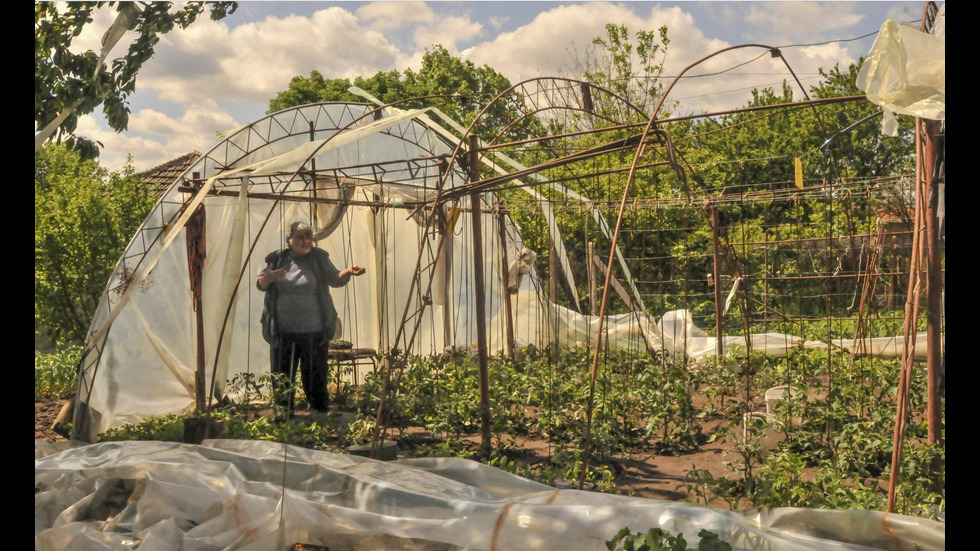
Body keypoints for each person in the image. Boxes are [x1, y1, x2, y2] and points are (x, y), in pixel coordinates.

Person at [257, 221, 366, 415]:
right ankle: (283, 412)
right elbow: (261, 283)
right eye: (300, 237)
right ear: (290, 241)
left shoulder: (319, 258)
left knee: (315, 372)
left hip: (314, 330)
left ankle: (319, 410)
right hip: (282, 330)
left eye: (308, 237)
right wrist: (269, 278)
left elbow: (335, 278)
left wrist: (348, 272)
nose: (306, 241)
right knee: (282, 373)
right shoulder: (278, 258)